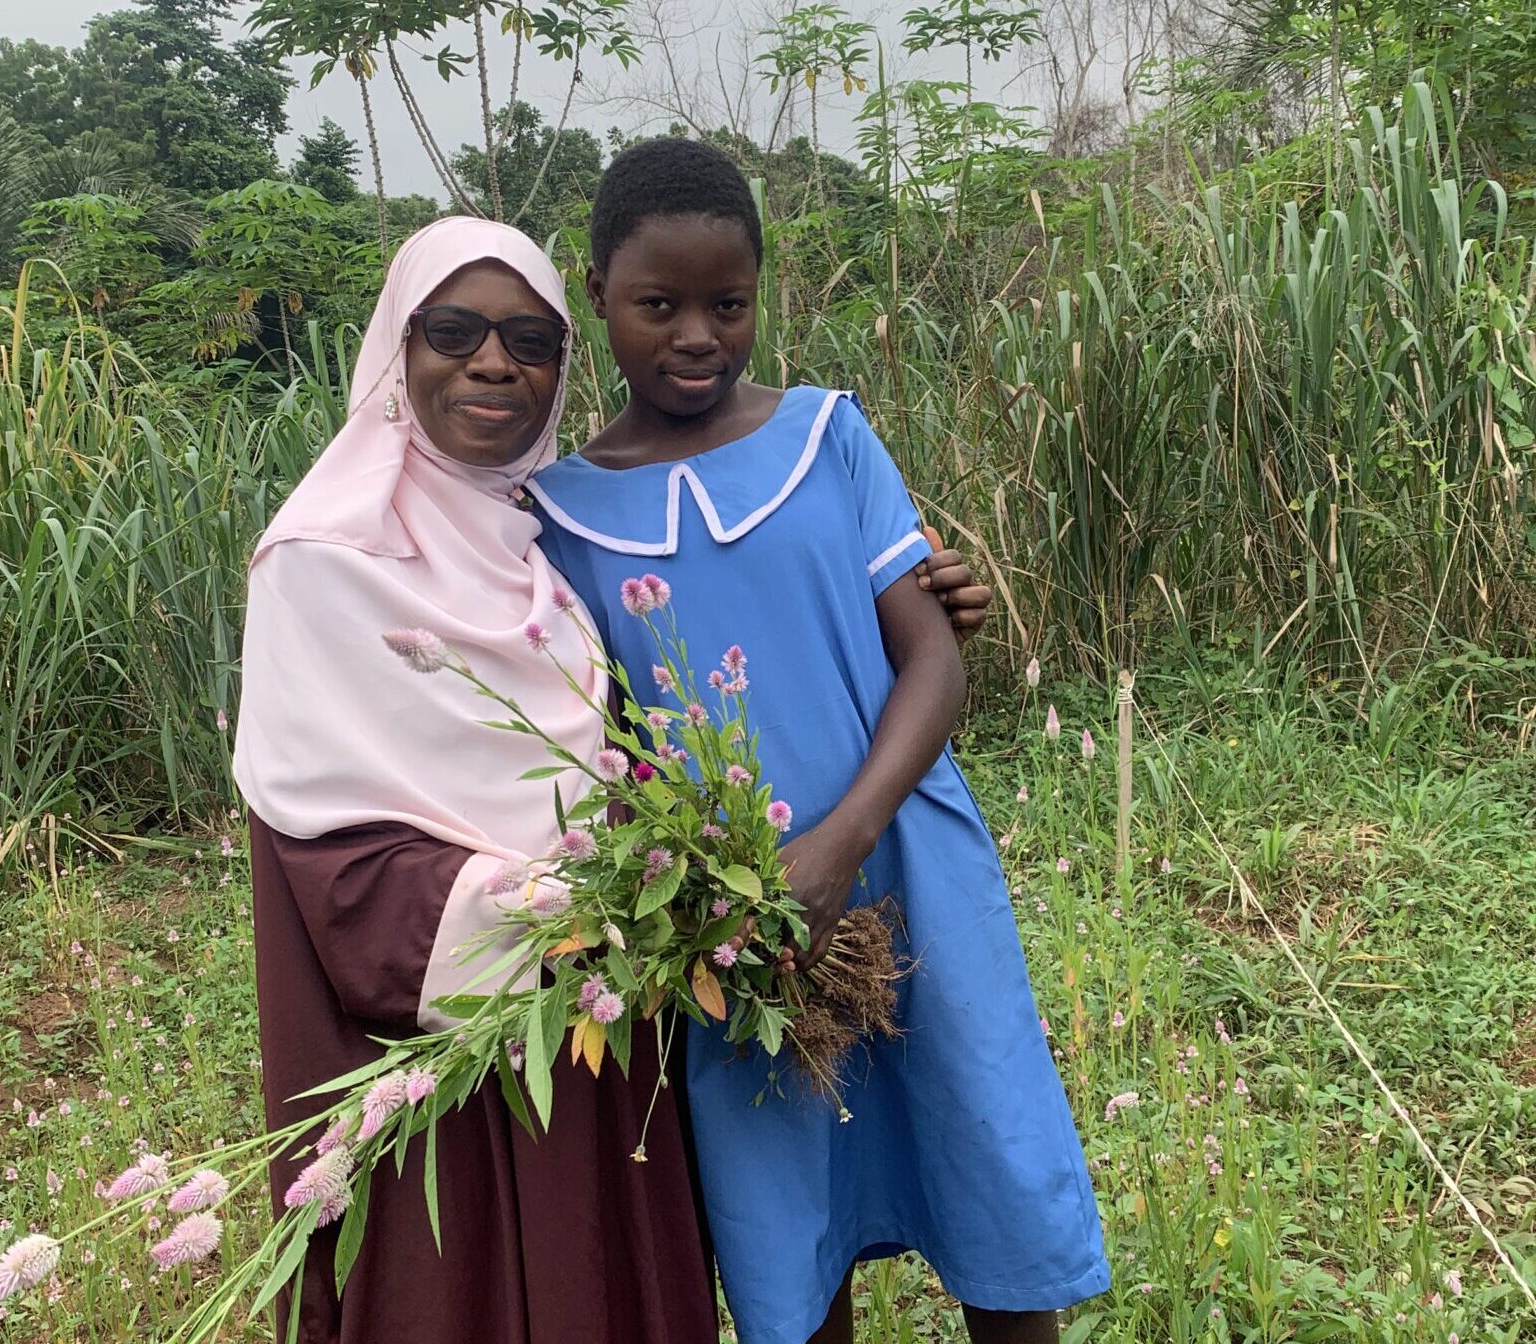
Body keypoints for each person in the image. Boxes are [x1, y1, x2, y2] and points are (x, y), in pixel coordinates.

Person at [231, 216, 997, 1344]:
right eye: (455, 331)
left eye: (530, 341)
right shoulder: (322, 562)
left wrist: (922, 605)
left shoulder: (537, 538)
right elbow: (327, 855)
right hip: (435, 1038)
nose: (494, 363)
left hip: (600, 1017)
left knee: (601, 1261)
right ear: (398, 346)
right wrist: (584, 911)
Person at [528, 140, 1109, 1344]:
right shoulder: (561, 516)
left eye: (729, 304)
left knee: (984, 1153)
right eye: (658, 305)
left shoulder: (828, 436)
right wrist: (709, 893)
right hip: (733, 921)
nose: (698, 336)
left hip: (904, 861)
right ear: (597, 297)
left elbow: (933, 659)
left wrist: (844, 839)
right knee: (790, 1216)